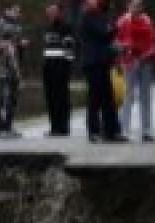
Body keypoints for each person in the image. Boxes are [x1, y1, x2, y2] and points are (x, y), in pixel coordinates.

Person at [78, 0, 125, 142]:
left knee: (108, 97)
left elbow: (108, 36)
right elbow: (103, 33)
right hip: (92, 62)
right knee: (95, 97)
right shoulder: (87, 17)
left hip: (103, 61)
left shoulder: (100, 15)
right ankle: (93, 131)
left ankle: (111, 131)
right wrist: (113, 26)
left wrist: (113, 29)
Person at [115, 0, 155, 142]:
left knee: (145, 96)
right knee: (129, 95)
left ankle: (146, 130)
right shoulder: (122, 21)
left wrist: (148, 53)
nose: (136, 8)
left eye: (139, 5)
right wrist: (124, 48)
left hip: (145, 61)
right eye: (133, 5)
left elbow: (152, 40)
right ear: (128, 6)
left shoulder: (147, 20)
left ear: (142, 7)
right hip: (129, 61)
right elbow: (116, 41)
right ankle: (125, 129)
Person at [41, 4, 76, 137]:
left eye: (52, 12)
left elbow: (70, 47)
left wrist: (66, 66)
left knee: (62, 98)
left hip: (60, 67)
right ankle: (54, 126)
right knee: (50, 98)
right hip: (48, 67)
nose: (49, 14)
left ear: (58, 13)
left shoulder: (65, 27)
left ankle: (63, 126)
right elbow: (46, 47)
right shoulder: (47, 28)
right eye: (48, 12)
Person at [0, 4, 28, 140]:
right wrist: (7, 44)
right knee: (5, 99)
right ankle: (1, 128)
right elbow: (0, 44)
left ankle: (8, 126)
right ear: (7, 10)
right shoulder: (1, 24)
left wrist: (21, 44)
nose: (17, 13)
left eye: (19, 11)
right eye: (15, 11)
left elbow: (17, 44)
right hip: (5, 69)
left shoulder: (16, 26)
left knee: (13, 100)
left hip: (15, 68)